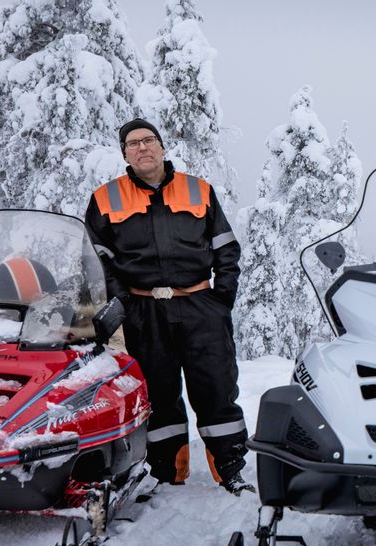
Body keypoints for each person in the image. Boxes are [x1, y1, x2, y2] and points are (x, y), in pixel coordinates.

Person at [84, 118, 253, 495]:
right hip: (143, 311)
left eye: (149, 140)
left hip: (200, 308)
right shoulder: (105, 198)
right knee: (157, 393)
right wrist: (124, 304)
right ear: (124, 154)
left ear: (162, 146)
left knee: (217, 388)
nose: (142, 148)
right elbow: (98, 260)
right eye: (133, 143)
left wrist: (221, 298)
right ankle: (166, 472)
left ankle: (230, 467)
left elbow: (226, 247)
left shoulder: (199, 190)